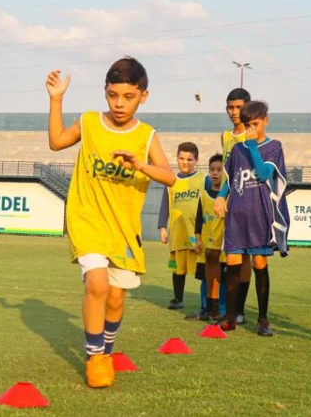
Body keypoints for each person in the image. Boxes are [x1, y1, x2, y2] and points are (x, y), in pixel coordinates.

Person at [45, 56, 176, 389]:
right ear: (105, 91)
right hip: (87, 218)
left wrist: (140, 166)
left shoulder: (146, 136)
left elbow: (169, 177)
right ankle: (95, 357)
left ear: (143, 96)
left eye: (128, 97)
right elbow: (57, 141)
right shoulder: (90, 122)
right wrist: (56, 98)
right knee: (97, 285)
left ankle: (107, 349)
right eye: (113, 95)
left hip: (124, 229)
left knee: (116, 298)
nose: (119, 104)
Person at [214, 101, 290, 336]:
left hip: (260, 214)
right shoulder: (237, 150)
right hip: (237, 214)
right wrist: (220, 196)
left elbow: (265, 173)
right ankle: (230, 318)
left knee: (259, 263)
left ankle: (263, 319)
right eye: (248, 125)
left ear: (265, 121)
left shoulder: (273, 147)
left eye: (255, 124)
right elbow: (230, 177)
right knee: (234, 262)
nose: (251, 129)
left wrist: (252, 147)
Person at [157, 142, 204, 311]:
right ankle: (178, 298)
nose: (185, 162)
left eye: (190, 159)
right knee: (178, 269)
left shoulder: (202, 179)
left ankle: (206, 302)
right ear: (177, 158)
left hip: (197, 232)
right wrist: (162, 227)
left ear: (197, 160)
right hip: (178, 232)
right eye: (182, 158)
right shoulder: (171, 180)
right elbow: (165, 204)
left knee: (202, 267)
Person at [221, 88, 252, 324]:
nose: (234, 112)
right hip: (226, 205)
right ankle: (220, 308)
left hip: (248, 204)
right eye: (231, 107)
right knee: (226, 257)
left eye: (239, 107)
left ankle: (239, 309)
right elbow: (226, 173)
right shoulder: (225, 136)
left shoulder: (252, 136)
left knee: (248, 258)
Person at [191, 153, 228, 322]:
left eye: (219, 170)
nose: (215, 173)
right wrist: (197, 239)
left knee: (223, 280)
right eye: (212, 170)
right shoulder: (204, 195)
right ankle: (204, 308)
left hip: (223, 249)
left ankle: (221, 309)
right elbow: (199, 220)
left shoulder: (228, 197)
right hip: (206, 247)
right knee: (205, 279)